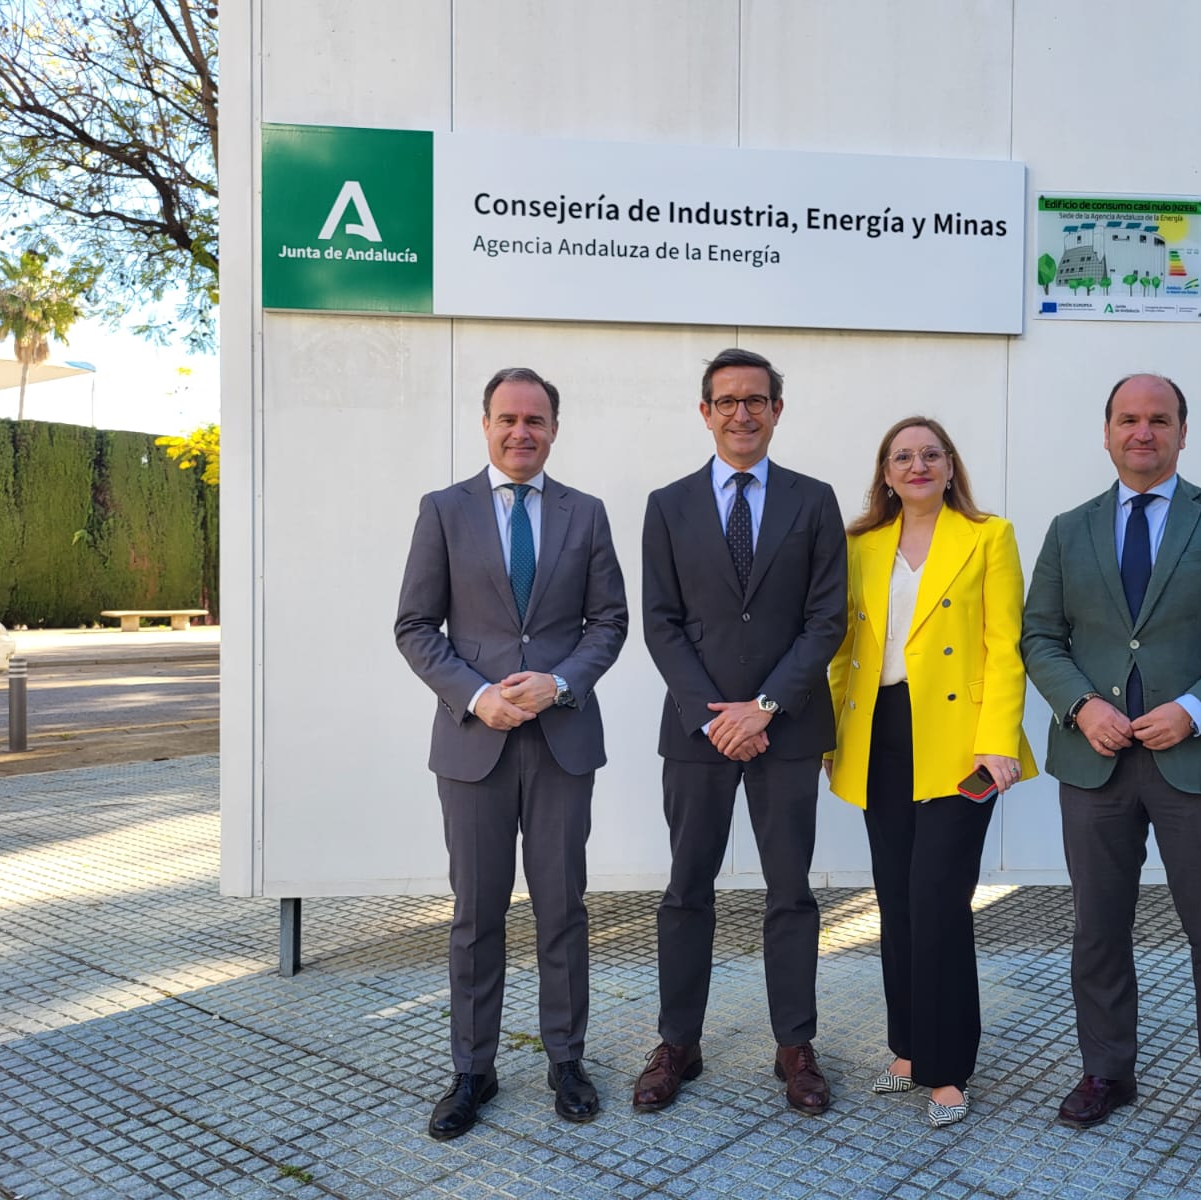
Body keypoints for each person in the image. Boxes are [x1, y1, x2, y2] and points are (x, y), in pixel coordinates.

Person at [1020, 373, 1201, 1160]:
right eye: (1128, 420)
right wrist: (1080, 706)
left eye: (1158, 420)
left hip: (1196, 764)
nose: (1143, 432)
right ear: (1106, 433)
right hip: (1095, 763)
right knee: (1098, 930)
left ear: (1181, 432)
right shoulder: (1070, 530)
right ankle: (1108, 1072)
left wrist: (1195, 709)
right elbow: (1040, 637)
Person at [395, 367, 628, 1139]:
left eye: (535, 419)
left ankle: (566, 1058)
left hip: (561, 745)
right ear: (486, 424)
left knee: (563, 909)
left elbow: (609, 623)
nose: (521, 432)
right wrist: (475, 694)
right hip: (474, 747)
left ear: (554, 428)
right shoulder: (443, 511)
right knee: (476, 915)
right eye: (507, 419)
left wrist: (560, 683)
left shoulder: (586, 514)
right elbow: (416, 627)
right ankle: (473, 1069)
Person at [634, 347, 848, 1116]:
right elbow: (660, 624)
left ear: (777, 411)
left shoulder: (814, 500)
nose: (741, 413)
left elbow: (826, 620)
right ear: (705, 413)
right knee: (686, 891)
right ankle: (678, 1043)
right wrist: (716, 715)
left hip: (786, 730)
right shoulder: (668, 503)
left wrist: (765, 707)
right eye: (725, 401)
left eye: (755, 400)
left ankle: (795, 1046)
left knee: (790, 894)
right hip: (696, 734)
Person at [825, 416, 1038, 1128]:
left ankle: (949, 1069)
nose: (916, 465)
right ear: (885, 474)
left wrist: (998, 739)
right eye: (902, 456)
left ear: (951, 467)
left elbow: (1006, 647)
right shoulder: (860, 545)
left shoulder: (988, 536)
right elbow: (841, 648)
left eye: (930, 454)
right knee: (897, 896)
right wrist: (830, 737)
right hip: (877, 732)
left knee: (939, 899)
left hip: (958, 742)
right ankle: (910, 1049)